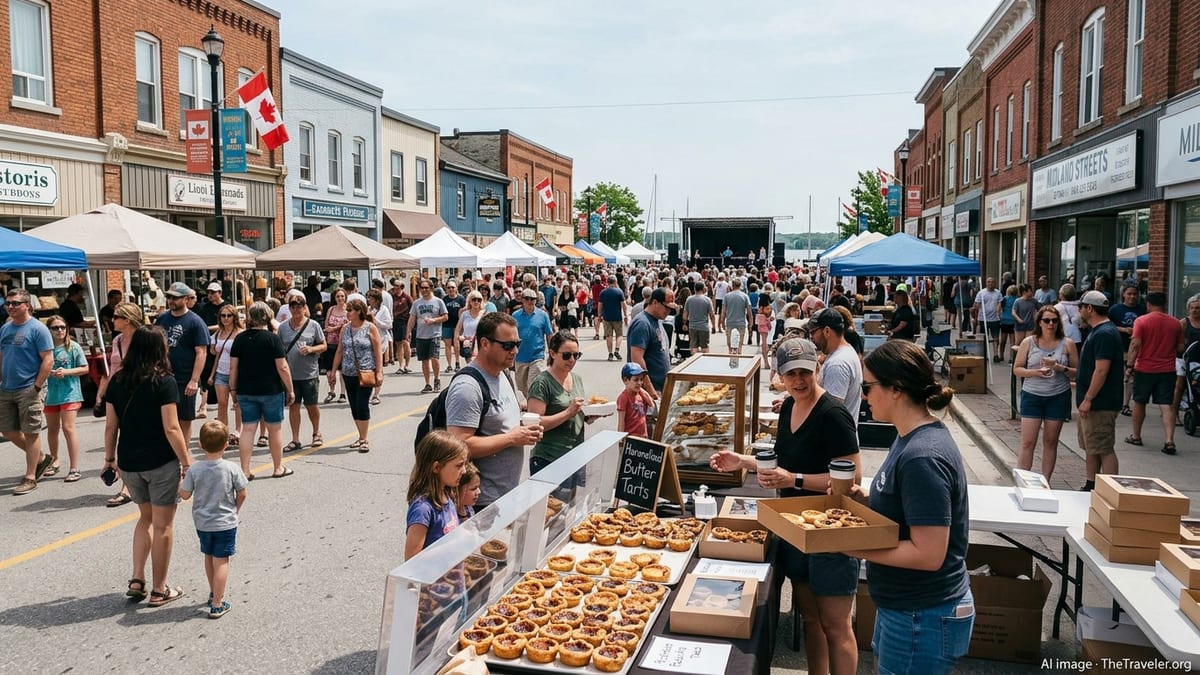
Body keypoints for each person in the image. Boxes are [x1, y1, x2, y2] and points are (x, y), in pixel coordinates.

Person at [709, 338, 861, 675]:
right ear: (779, 375)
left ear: (817, 368)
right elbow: (783, 461)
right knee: (809, 617)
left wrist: (794, 480)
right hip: (794, 528)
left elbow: (850, 482)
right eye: (791, 373)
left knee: (836, 627)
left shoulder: (833, 414)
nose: (799, 380)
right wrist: (742, 460)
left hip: (830, 536)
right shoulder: (790, 407)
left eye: (805, 372)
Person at [844, 339, 973, 675]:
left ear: (896, 389)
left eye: (868, 387)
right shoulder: (908, 437)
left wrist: (854, 547)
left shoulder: (922, 456)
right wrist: (868, 501)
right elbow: (907, 508)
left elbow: (928, 554)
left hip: (922, 615)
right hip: (906, 610)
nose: (864, 395)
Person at [103, 325, 191, 607]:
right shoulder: (164, 381)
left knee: (145, 518)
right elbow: (172, 428)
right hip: (160, 461)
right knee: (164, 525)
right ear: (159, 348)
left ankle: (137, 578)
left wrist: (109, 458)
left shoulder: (117, 380)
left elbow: (110, 426)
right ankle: (159, 589)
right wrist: (188, 462)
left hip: (129, 462)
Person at [446, 312, 542, 511]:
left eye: (518, 344)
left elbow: (503, 423)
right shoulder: (468, 387)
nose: (514, 351)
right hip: (481, 501)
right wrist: (512, 438)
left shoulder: (504, 374)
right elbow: (459, 445)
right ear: (485, 343)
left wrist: (525, 430)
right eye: (507, 345)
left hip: (506, 494)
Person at [178, 420, 248, 619]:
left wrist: (179, 481)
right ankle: (218, 603)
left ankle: (212, 592)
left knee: (209, 557)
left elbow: (184, 495)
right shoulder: (231, 468)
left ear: (200, 444)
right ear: (226, 444)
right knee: (222, 561)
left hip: (202, 523)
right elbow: (242, 493)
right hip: (225, 522)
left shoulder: (195, 469)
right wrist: (236, 510)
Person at [229, 302, 295, 480]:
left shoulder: (240, 339)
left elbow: (233, 368)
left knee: (248, 429)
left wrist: (233, 389)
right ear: (267, 316)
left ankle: (245, 470)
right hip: (271, 389)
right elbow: (282, 367)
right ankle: (277, 467)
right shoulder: (272, 339)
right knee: (275, 429)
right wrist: (290, 389)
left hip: (245, 389)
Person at [1013, 305, 1078, 480]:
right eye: (1046, 320)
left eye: (1054, 321)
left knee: (1050, 441)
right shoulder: (1029, 342)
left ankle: (1045, 481)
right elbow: (1017, 369)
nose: (1051, 324)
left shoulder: (1068, 344)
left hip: (1058, 396)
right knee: (1027, 442)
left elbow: (1076, 372)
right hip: (1032, 395)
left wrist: (1059, 367)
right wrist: (1035, 372)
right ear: (1039, 322)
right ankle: (1023, 481)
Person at [1, 288, 53, 495]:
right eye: (8, 303)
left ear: (27, 305)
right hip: (7, 387)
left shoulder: (38, 329)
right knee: (8, 430)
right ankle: (41, 458)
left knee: (31, 432)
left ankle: (30, 477)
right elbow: (2, 356)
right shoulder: (5, 329)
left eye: (15, 303)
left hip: (29, 387)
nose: (11, 307)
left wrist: (37, 387)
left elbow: (48, 359)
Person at [528, 331, 598, 477]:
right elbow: (534, 424)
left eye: (576, 355)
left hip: (576, 456)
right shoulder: (542, 383)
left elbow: (575, 412)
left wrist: (588, 416)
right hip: (549, 459)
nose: (572, 360)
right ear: (553, 354)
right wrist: (568, 413)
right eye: (566, 355)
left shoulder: (576, 378)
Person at [1076, 290, 1124, 491]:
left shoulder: (1104, 333)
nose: (1079, 310)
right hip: (1093, 401)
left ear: (1089, 308)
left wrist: (1089, 397)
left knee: (1103, 447)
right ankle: (1091, 484)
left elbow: (1102, 369)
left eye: (1081, 306)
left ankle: (1111, 489)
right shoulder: (1097, 331)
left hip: (1101, 402)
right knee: (1091, 446)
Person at [1126, 292, 1184, 455]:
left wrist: (1129, 366)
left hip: (1144, 368)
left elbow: (1135, 344)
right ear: (1164, 304)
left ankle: (1136, 436)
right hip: (1167, 369)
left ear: (1148, 304)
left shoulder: (1141, 321)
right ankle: (1169, 440)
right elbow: (1180, 348)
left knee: (1139, 402)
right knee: (1166, 405)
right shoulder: (1175, 323)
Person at [155, 282, 209, 444]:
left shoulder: (195, 321)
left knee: (184, 419)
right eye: (169, 297)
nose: (171, 300)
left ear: (186, 299)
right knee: (164, 417)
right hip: (163, 376)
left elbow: (201, 352)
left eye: (175, 298)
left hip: (185, 378)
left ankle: (183, 453)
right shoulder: (162, 318)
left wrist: (194, 380)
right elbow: (155, 345)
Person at [404, 429, 468, 560]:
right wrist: (453, 544)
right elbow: (411, 558)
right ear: (436, 468)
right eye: (459, 465)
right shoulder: (422, 509)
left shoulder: (447, 494)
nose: (464, 471)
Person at [332, 298, 383, 452]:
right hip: (348, 372)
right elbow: (340, 349)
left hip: (366, 371)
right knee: (354, 406)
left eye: (350, 310)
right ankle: (360, 436)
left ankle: (364, 438)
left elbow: (377, 350)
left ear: (359, 311)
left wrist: (379, 372)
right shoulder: (345, 329)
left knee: (362, 404)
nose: (347, 313)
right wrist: (333, 370)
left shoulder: (370, 328)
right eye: (347, 310)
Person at [43, 315, 88, 483]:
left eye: (62, 327)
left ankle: (74, 467)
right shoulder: (45, 348)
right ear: (49, 330)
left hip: (70, 392)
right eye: (55, 328)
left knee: (68, 428)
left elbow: (85, 368)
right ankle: (54, 461)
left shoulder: (73, 347)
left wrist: (66, 372)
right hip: (50, 394)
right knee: (52, 429)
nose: (60, 330)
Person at [278, 295, 326, 453]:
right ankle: (295, 439)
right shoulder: (283, 327)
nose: (296, 309)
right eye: (293, 306)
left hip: (309, 374)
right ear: (289, 308)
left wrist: (312, 349)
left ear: (304, 307)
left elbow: (323, 345)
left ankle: (316, 432)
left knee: (312, 406)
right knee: (294, 407)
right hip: (291, 375)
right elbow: (279, 350)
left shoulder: (313, 325)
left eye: (299, 306)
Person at [808, 308, 863, 421]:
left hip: (834, 438)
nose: (812, 337)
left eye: (813, 332)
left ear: (827, 331)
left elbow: (831, 412)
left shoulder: (837, 364)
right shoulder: (842, 353)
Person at [207, 302, 243, 449]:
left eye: (229, 315)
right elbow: (214, 353)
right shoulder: (217, 334)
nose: (226, 318)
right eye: (223, 315)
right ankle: (223, 433)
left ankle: (238, 431)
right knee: (222, 404)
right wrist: (212, 374)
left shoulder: (240, 333)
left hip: (237, 373)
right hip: (221, 372)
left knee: (237, 403)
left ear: (234, 317)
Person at [628, 287, 673, 403]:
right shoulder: (642, 323)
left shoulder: (656, 319)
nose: (668, 312)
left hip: (658, 387)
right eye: (666, 307)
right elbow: (637, 359)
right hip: (647, 391)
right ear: (655, 302)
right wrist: (650, 390)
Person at [1109, 285, 1145, 416]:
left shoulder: (1142, 309)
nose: (1132, 296)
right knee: (1117, 376)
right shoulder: (1115, 309)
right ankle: (1114, 401)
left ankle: (1125, 404)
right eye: (1129, 294)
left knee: (1130, 378)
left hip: (1136, 349)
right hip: (1119, 347)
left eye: (1135, 294)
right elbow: (1108, 325)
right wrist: (1124, 329)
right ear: (1123, 294)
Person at [513, 288, 555, 397]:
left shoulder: (543, 315)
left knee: (533, 384)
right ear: (522, 300)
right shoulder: (515, 316)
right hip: (520, 356)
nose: (530, 301)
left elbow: (549, 334)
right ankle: (530, 402)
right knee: (522, 386)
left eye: (533, 299)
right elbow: (511, 335)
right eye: (527, 298)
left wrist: (551, 352)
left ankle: (534, 406)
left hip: (537, 356)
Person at [408, 279, 447, 393]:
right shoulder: (416, 303)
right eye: (422, 288)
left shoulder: (438, 301)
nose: (424, 290)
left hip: (434, 334)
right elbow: (412, 318)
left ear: (431, 288)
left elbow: (445, 317)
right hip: (421, 335)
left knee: (434, 358)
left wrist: (434, 320)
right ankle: (427, 383)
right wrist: (409, 331)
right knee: (424, 360)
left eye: (426, 288)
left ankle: (437, 379)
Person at [322, 288, 349, 404]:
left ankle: (343, 393)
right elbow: (326, 324)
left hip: (343, 343)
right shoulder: (331, 309)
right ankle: (331, 391)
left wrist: (335, 328)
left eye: (342, 296)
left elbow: (347, 325)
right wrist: (333, 328)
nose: (340, 299)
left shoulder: (348, 310)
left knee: (342, 370)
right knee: (329, 370)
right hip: (330, 342)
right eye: (338, 296)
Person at [366, 289, 392, 405]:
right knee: (369, 368)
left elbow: (388, 325)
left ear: (376, 299)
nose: (368, 300)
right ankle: (368, 391)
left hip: (380, 340)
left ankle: (376, 394)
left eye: (370, 298)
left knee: (378, 368)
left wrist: (374, 320)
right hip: (367, 341)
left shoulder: (384, 310)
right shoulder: (368, 309)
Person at [616, 362, 654, 437]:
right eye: (636, 380)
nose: (639, 383)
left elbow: (651, 404)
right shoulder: (623, 397)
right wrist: (620, 439)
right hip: (631, 437)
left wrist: (641, 390)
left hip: (643, 435)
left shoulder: (640, 394)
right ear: (625, 380)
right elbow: (621, 421)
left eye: (641, 379)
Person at [972, 277, 1003, 361]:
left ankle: (995, 355)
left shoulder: (998, 293)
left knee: (995, 337)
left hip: (995, 319)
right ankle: (984, 354)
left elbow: (1000, 303)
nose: (990, 283)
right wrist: (975, 318)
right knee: (984, 338)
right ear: (986, 283)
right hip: (983, 319)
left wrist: (998, 310)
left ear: (995, 283)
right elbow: (976, 305)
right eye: (989, 282)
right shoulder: (981, 293)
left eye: (992, 282)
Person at [598, 276, 627, 361]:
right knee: (619, 335)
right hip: (617, 316)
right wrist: (625, 314)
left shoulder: (603, 292)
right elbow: (623, 304)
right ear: (615, 282)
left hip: (606, 317)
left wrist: (599, 315)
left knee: (608, 336)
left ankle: (610, 353)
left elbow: (600, 305)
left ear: (607, 282)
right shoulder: (619, 292)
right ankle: (617, 349)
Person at [454, 291, 485, 366]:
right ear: (470, 301)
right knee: (471, 365)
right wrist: (457, 339)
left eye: (479, 300)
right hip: (467, 344)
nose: (476, 302)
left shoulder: (484, 314)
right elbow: (458, 329)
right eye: (474, 299)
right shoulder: (465, 314)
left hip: (480, 345)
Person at [440, 280, 466, 373]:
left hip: (457, 325)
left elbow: (465, 311)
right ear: (446, 289)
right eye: (449, 287)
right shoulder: (444, 299)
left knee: (456, 345)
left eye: (453, 287)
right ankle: (449, 365)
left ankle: (457, 363)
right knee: (447, 345)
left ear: (456, 289)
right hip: (446, 325)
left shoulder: (461, 299)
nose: (451, 289)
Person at [721, 277, 752, 350]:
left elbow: (723, 311)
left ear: (732, 285)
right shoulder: (745, 296)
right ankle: (739, 356)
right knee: (739, 345)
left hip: (730, 322)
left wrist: (722, 322)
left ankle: (731, 357)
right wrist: (750, 323)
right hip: (741, 322)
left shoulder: (727, 296)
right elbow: (749, 311)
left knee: (730, 345)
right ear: (740, 285)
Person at [683, 282, 715, 354]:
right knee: (705, 347)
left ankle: (694, 361)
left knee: (694, 346)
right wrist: (713, 326)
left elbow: (685, 314)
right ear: (703, 289)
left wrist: (684, 324)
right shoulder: (707, 300)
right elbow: (712, 315)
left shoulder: (689, 299)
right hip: (703, 326)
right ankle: (705, 361)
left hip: (692, 326)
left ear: (695, 289)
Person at [391, 279, 414, 374]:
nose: (395, 288)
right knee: (398, 344)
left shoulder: (407, 297)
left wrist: (412, 325)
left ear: (401, 287)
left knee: (406, 343)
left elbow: (412, 310)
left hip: (405, 322)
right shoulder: (392, 297)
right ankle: (400, 365)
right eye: (394, 286)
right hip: (396, 322)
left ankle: (407, 365)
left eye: (397, 286)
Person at [1012, 284, 1038, 359]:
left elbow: (1039, 309)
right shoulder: (1018, 301)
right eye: (1029, 291)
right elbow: (1013, 312)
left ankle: (1027, 358)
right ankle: (1016, 358)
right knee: (1018, 342)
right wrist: (1018, 319)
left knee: (1028, 342)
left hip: (1030, 324)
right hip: (1020, 324)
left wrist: (1036, 317)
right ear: (1024, 292)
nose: (1031, 292)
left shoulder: (1034, 301)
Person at [998, 285, 1017, 358]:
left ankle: (1001, 355)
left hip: (1004, 321)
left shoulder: (1004, 299)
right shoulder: (1017, 299)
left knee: (1003, 340)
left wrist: (1000, 316)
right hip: (1013, 321)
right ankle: (1011, 357)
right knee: (1012, 342)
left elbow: (998, 309)